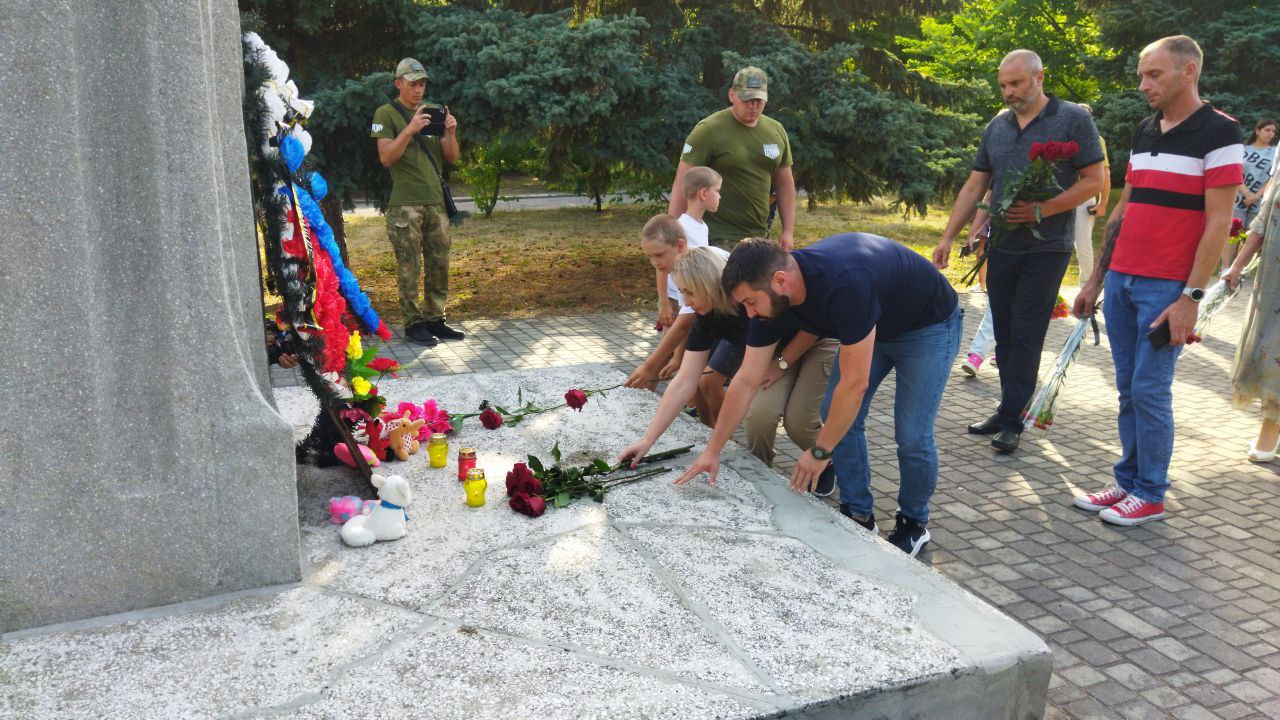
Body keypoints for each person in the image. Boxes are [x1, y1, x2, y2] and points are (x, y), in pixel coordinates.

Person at [672, 236, 961, 558]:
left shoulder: (845, 282)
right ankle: (858, 513)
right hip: (874, 323)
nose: (749, 314)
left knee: (911, 433)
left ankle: (913, 522)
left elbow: (854, 385)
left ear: (780, 281)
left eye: (751, 302)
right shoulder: (771, 301)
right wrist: (713, 451)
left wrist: (820, 451)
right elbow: (746, 380)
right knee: (838, 416)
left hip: (928, 326)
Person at [1072, 35, 1243, 526]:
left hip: (1167, 286)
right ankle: (1127, 481)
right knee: (1127, 387)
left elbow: (1218, 222)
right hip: (1123, 278)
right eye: (1142, 74)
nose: (1144, 84)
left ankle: (1150, 492)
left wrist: (1191, 298)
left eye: (1155, 74)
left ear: (1189, 72)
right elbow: (1125, 208)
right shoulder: (1145, 130)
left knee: (1150, 389)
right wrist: (1095, 279)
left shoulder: (1220, 132)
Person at [933, 49, 1107, 454]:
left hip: (1047, 249)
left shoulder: (1073, 119)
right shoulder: (997, 126)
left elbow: (1095, 180)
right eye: (1003, 86)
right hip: (1004, 246)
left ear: (1039, 77)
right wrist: (948, 237)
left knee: (1027, 333)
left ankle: (1013, 419)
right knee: (1006, 334)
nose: (1008, 92)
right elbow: (975, 186)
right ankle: (1008, 406)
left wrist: (1044, 208)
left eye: (1016, 84)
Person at [619, 248, 838, 493]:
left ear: (706, 284)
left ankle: (826, 459)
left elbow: (809, 327)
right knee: (759, 417)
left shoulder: (751, 303)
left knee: (797, 421)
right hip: (771, 358)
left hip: (813, 343)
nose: (686, 302)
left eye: (690, 292)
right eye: (681, 293)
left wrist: (781, 364)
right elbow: (684, 381)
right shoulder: (706, 316)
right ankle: (762, 476)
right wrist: (648, 440)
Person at [370, 58, 463, 347]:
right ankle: (413, 324)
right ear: (399, 83)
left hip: (436, 202)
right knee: (409, 265)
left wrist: (449, 132)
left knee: (440, 263)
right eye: (413, 84)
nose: (419, 90)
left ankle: (436, 319)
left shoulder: (431, 112)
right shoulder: (386, 113)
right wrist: (410, 129)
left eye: (422, 84)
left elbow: (451, 157)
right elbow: (386, 158)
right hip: (405, 205)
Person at [669, 67, 797, 250]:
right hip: (716, 237)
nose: (753, 106)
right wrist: (672, 233)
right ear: (732, 95)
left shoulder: (776, 131)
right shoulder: (708, 130)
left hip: (759, 237)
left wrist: (788, 231)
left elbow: (785, 184)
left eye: (758, 100)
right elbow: (682, 182)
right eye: (746, 99)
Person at [624, 216, 727, 421]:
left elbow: (683, 325)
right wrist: (679, 357)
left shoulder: (695, 265)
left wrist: (649, 367)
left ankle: (724, 436)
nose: (655, 263)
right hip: (713, 321)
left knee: (708, 382)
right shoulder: (677, 268)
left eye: (659, 255)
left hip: (734, 323)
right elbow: (687, 317)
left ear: (680, 245)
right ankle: (706, 428)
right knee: (691, 378)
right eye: (650, 257)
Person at [1222, 169, 1280, 462]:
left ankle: (1269, 437)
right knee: (1269, 347)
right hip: (1273, 280)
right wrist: (1236, 265)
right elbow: (1261, 220)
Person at [657, 167, 721, 333]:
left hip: (693, 298)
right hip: (676, 301)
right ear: (704, 194)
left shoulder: (703, 227)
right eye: (718, 191)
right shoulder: (680, 227)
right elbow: (661, 266)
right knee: (669, 349)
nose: (720, 196)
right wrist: (664, 302)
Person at [1223, 118, 1277, 268]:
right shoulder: (1243, 149)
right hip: (1238, 198)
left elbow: (1273, 177)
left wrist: (1256, 195)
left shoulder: (1274, 153)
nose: (1271, 134)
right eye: (1267, 130)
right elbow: (1234, 171)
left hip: (1259, 201)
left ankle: (1237, 269)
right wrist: (1246, 193)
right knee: (1232, 234)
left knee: (1249, 236)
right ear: (1257, 130)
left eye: (1273, 131)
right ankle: (1225, 269)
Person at [1073, 104, 1112, 287]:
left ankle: (1086, 287)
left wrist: (1103, 203)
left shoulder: (1097, 140)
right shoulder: (1063, 137)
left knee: (1083, 245)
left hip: (1084, 198)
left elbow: (1105, 174)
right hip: (1060, 198)